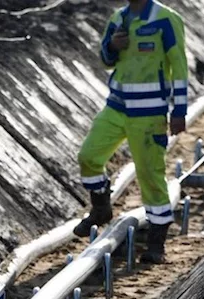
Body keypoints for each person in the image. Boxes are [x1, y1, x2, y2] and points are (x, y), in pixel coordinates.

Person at [73, 0, 188, 263]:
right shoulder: (119, 18)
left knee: (150, 175)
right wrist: (113, 45)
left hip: (149, 114)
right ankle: (101, 208)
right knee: (88, 157)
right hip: (116, 107)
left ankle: (156, 242)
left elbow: (179, 65)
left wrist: (179, 109)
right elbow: (105, 60)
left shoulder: (166, 19)